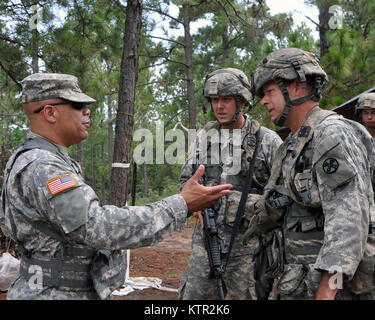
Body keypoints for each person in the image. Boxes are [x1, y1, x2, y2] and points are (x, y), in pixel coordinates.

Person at [0, 73, 232, 300]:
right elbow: (97, 227)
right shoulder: (43, 165)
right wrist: (180, 204)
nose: (87, 111)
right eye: (77, 105)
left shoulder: (45, 159)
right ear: (50, 112)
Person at [244, 47, 375, 300]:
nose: (263, 101)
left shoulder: (331, 134)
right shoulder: (293, 143)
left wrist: (327, 291)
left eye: (269, 91)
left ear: (296, 87)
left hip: (331, 289)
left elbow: (348, 221)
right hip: (299, 282)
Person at [178, 68, 282, 300]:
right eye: (215, 100)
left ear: (242, 101)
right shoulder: (203, 139)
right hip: (206, 242)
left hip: (248, 249)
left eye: (226, 99)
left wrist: (254, 207)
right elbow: (186, 182)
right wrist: (195, 208)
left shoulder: (267, 141)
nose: (219, 106)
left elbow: (283, 194)